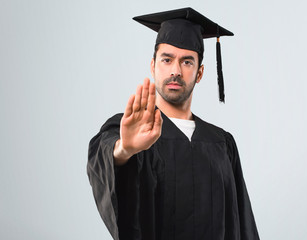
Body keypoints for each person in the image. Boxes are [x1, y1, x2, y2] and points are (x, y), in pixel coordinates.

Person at [87, 7, 260, 240]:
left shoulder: (222, 143)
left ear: (199, 73)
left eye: (187, 62)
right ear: (153, 65)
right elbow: (106, 156)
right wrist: (125, 149)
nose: (175, 71)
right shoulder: (128, 129)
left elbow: (242, 224)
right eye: (167, 59)